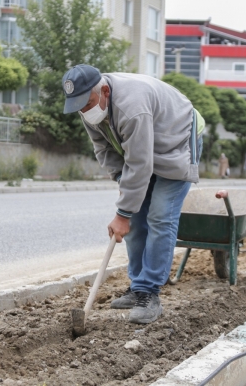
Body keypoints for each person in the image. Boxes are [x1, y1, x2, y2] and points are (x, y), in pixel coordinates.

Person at [61, 64, 205, 324]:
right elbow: (104, 150)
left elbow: (140, 164)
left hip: (178, 141)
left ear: (104, 90)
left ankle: (150, 294)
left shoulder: (132, 107)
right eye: (79, 106)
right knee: (135, 220)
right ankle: (139, 286)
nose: (84, 110)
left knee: (160, 215)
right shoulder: (90, 110)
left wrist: (122, 213)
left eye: (87, 102)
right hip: (146, 149)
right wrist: (121, 183)